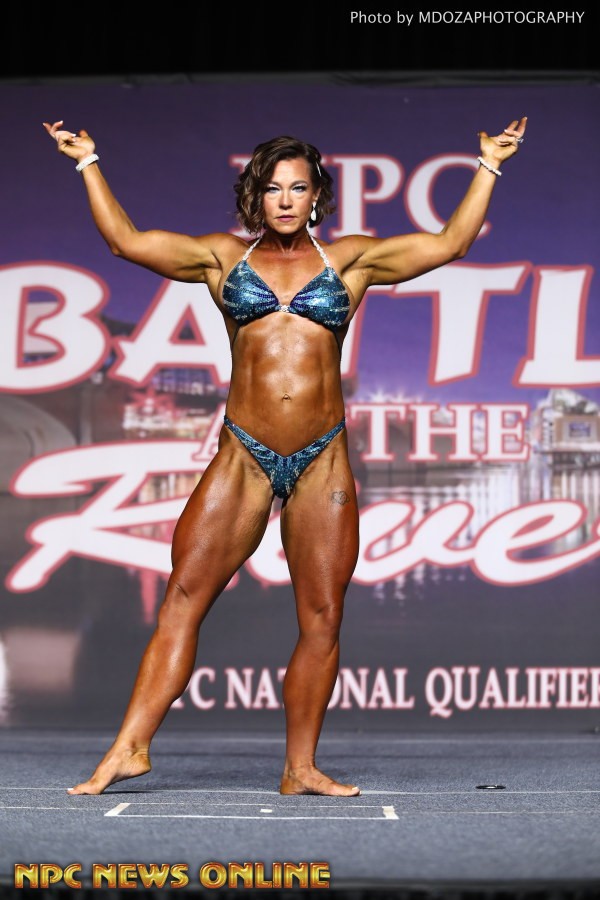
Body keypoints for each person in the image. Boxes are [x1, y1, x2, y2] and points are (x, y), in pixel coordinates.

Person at [42, 115, 526, 796]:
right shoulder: (222, 259)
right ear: (256, 197)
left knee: (322, 618)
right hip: (244, 452)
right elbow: (126, 241)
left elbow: (451, 243)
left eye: (299, 188)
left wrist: (490, 165)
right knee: (182, 598)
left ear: (316, 195)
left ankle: (300, 768)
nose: (287, 200)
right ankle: (129, 747)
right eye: (274, 189)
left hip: (321, 458)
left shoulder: (350, 261)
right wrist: (87, 161)